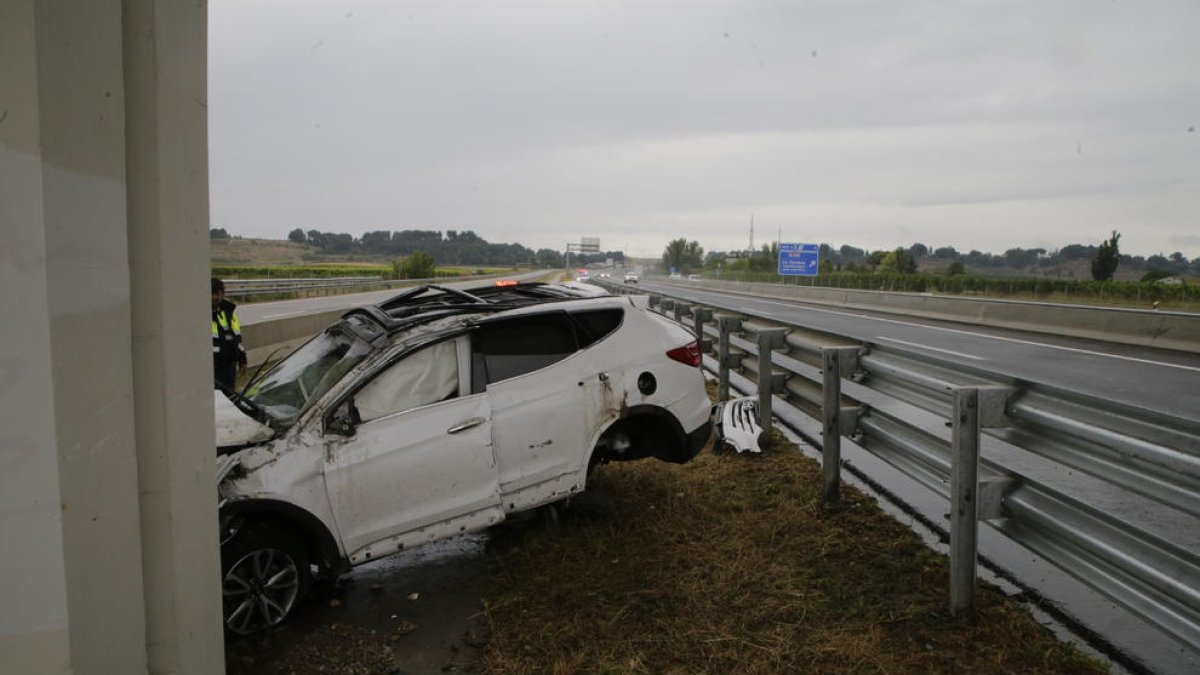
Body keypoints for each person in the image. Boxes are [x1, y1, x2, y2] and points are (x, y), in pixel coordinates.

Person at [212, 277, 247, 390]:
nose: (214, 297)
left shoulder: (229, 313)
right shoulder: (198, 314)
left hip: (229, 368)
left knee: (229, 400)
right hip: (211, 369)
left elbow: (237, 339)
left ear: (222, 294)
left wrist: (242, 359)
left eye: (217, 294)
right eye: (211, 294)